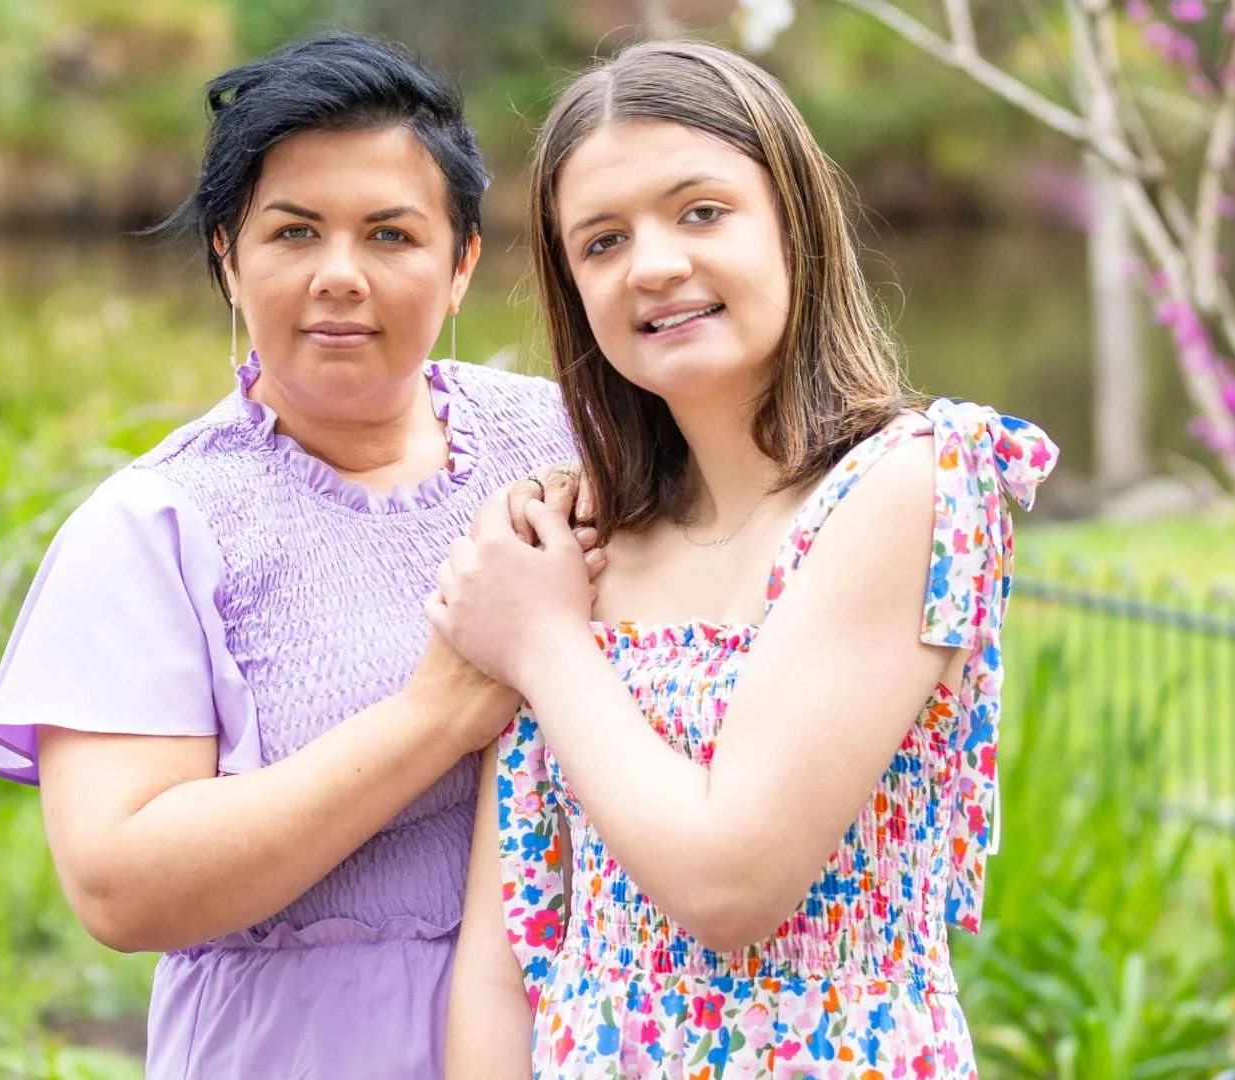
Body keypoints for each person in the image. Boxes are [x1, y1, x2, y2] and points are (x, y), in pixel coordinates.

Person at [0, 32, 597, 1079]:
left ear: (464, 262)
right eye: (294, 233)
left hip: (581, 1034)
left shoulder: (572, 446)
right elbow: (122, 886)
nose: (340, 277)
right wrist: (436, 714)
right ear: (228, 255)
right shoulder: (158, 526)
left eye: (391, 235)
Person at [432, 39, 1058, 1078]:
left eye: (701, 211)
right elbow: (504, 959)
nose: (655, 264)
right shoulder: (585, 540)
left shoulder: (906, 485)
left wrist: (540, 644)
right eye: (601, 241)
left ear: (794, 224)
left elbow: (730, 884)